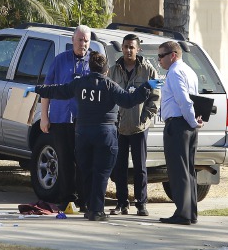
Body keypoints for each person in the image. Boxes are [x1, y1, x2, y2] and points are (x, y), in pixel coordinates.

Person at [25, 52, 161, 221]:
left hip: (83, 134)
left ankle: (89, 207)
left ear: (89, 68)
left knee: (86, 171)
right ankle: (97, 210)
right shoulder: (110, 86)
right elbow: (129, 100)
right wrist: (147, 86)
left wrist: (36, 89)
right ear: (106, 70)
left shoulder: (79, 83)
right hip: (105, 134)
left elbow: (58, 90)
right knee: (101, 173)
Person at [40, 25, 93, 211]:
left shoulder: (94, 62)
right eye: (80, 40)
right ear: (72, 40)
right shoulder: (60, 60)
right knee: (64, 159)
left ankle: (84, 200)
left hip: (85, 120)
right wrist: (44, 117)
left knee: (84, 161)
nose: (83, 44)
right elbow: (46, 90)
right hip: (61, 118)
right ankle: (66, 198)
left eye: (86, 40)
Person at [108, 34, 160, 217]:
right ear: (121, 48)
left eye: (132, 47)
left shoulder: (148, 70)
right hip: (119, 128)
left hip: (139, 127)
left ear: (138, 49)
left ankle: (141, 203)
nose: (128, 50)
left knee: (140, 167)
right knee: (119, 167)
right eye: (126, 47)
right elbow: (108, 96)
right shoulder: (113, 70)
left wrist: (145, 119)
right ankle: (122, 203)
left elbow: (155, 98)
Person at [158, 41, 203, 225]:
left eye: (161, 56)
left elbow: (184, 100)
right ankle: (190, 212)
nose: (159, 60)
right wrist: (194, 121)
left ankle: (183, 213)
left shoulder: (175, 72)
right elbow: (195, 100)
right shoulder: (189, 71)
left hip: (178, 125)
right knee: (188, 170)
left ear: (173, 55)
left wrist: (192, 120)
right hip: (187, 127)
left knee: (178, 171)